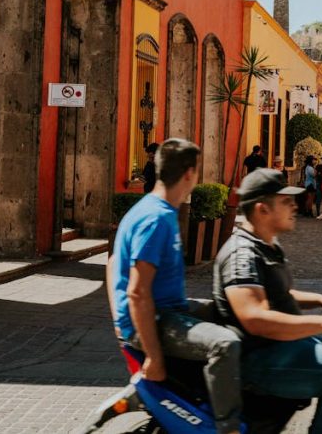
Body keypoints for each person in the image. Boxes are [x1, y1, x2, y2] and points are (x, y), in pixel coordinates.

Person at [213, 169, 322, 434]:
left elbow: (280, 295)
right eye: (285, 201)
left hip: (280, 347)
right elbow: (256, 319)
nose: (295, 206)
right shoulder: (242, 254)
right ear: (263, 209)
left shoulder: (266, 245)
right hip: (260, 358)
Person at [109, 138, 242, 434]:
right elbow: (138, 291)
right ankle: (229, 427)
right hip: (157, 318)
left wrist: (119, 319)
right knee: (225, 344)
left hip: (166, 310)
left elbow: (113, 263)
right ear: (188, 174)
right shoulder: (156, 218)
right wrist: (153, 355)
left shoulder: (154, 210)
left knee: (231, 313)